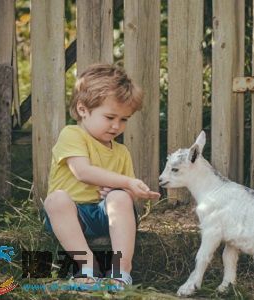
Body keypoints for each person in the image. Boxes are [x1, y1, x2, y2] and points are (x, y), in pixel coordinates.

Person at [43, 64, 160, 288]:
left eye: (124, 119)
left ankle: (121, 272)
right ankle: (87, 268)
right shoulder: (72, 135)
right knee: (56, 199)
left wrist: (124, 191)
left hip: (105, 216)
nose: (117, 126)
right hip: (72, 216)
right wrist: (126, 182)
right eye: (110, 117)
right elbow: (82, 172)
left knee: (120, 198)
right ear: (83, 109)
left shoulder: (121, 152)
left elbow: (126, 199)